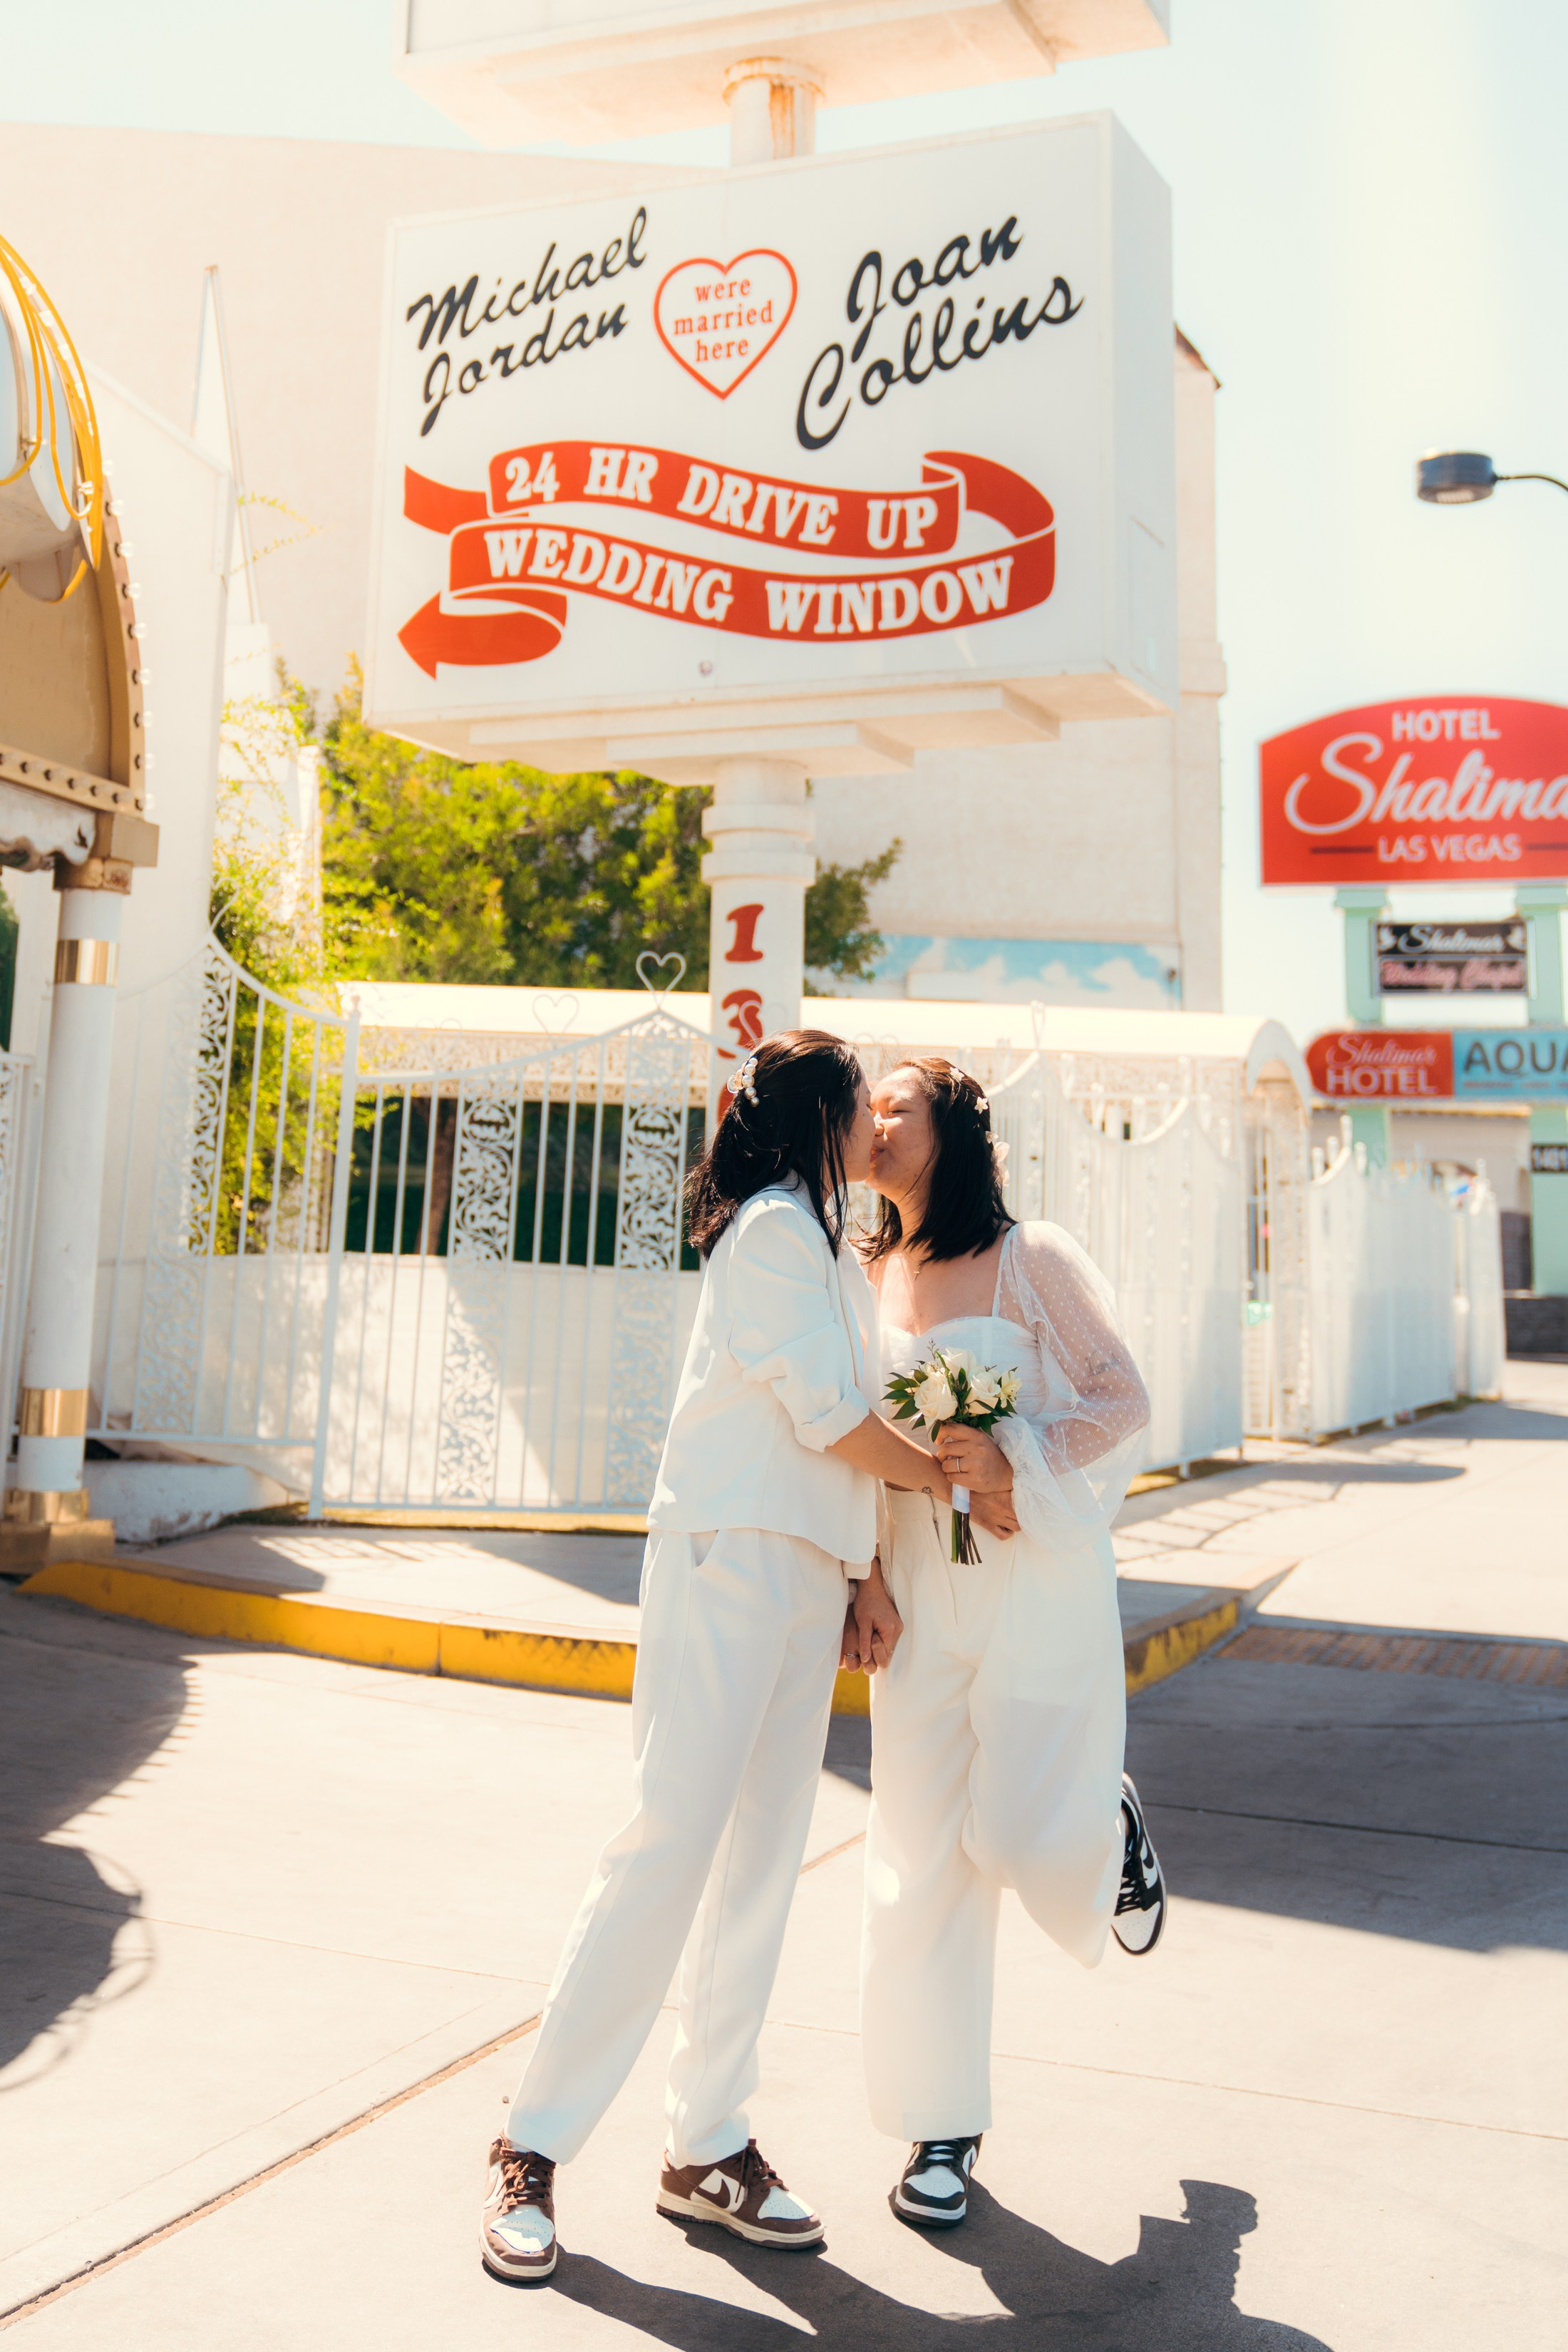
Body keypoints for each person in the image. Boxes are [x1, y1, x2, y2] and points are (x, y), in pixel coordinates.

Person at [480, 1031, 945, 2284]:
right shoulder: (774, 1233)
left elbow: (847, 1429)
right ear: (820, 1119)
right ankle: (532, 2146)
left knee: (759, 1868)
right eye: (862, 1107)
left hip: (803, 1571)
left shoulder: (833, 1245)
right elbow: (833, 1419)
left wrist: (863, 1572)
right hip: (728, 1555)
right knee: (666, 1846)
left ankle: (707, 2146)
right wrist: (961, 1477)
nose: (876, 1128)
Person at [847, 1056, 1164, 2235]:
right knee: (920, 1859)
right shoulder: (864, 1272)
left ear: (955, 1133)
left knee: (1029, 1836)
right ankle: (943, 2128)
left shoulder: (1034, 1259)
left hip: (1031, 1573)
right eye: (870, 1105)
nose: (876, 1121)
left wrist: (1011, 1458)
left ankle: (1105, 1826)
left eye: (899, 1106)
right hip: (919, 1594)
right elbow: (851, 1442)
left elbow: (1121, 1398)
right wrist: (866, 1576)